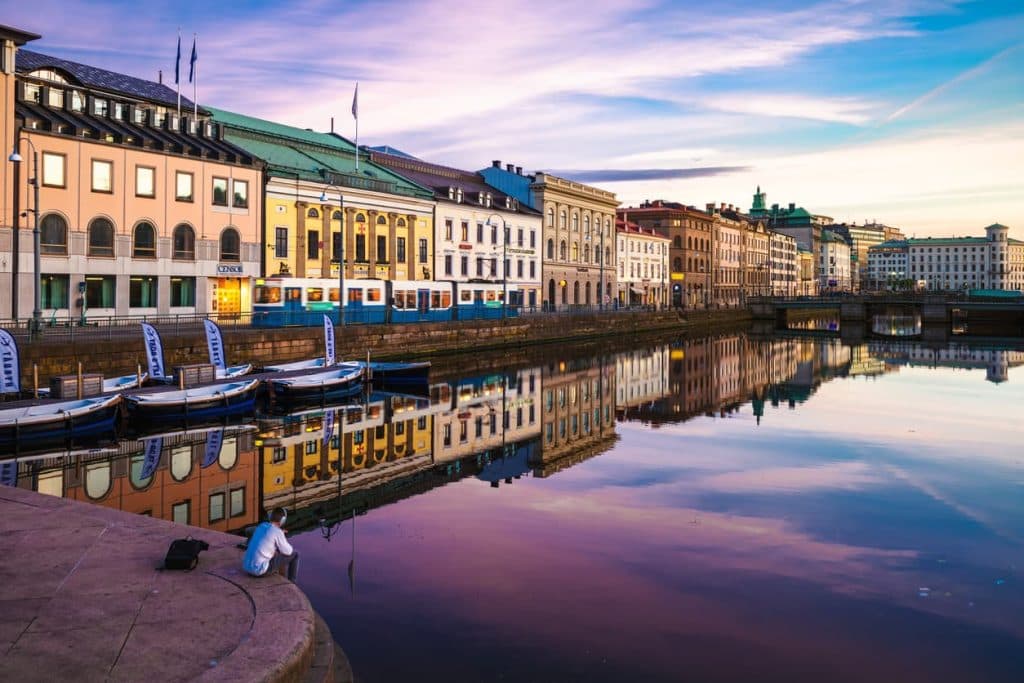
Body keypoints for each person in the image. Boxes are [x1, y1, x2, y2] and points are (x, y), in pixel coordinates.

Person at [243, 507, 299, 582]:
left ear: (270, 516)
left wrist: (279, 534)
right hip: (258, 571)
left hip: (246, 566)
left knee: (275, 550)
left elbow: (268, 536)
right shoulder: (277, 532)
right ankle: (292, 583)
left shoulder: (261, 526)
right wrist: (281, 536)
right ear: (282, 520)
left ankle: (278, 573)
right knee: (295, 555)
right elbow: (288, 551)